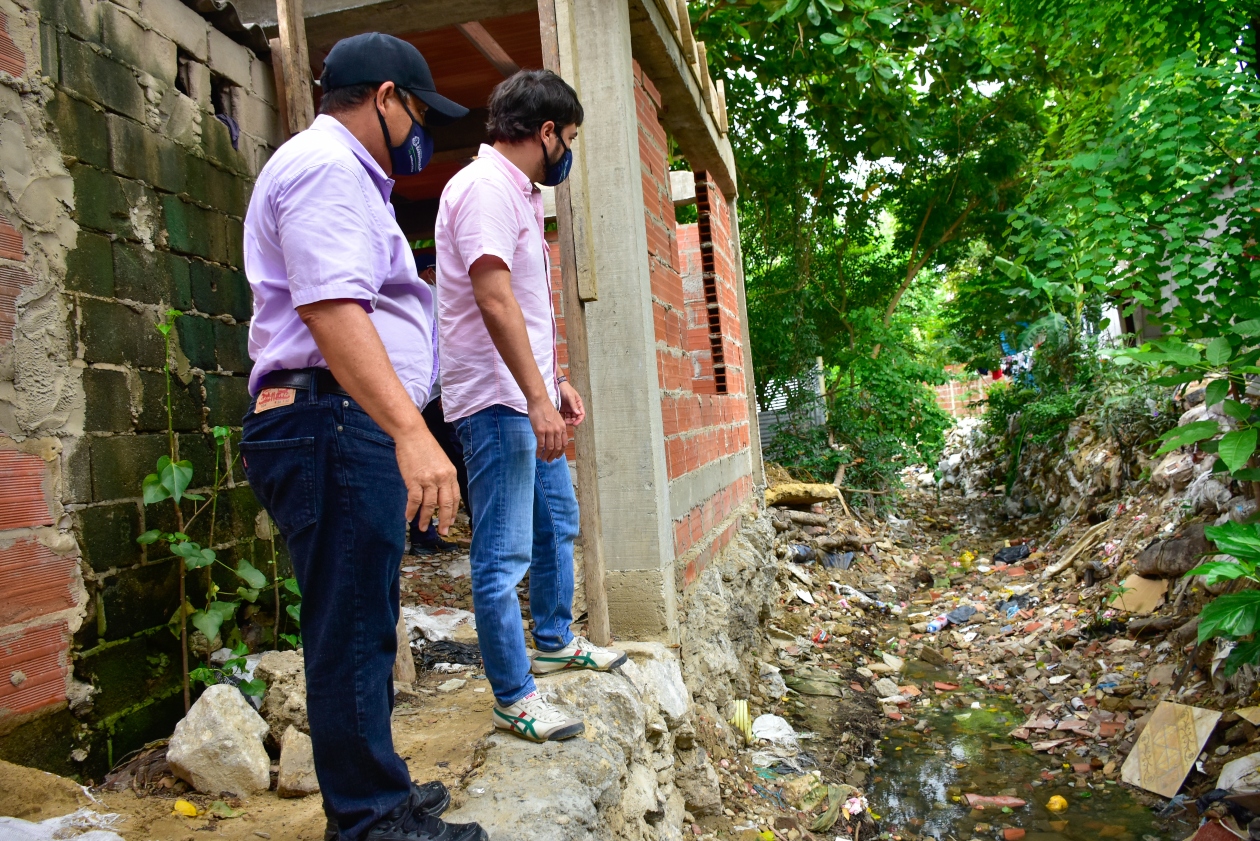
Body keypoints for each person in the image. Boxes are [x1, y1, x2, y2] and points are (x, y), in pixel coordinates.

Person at [239, 32, 486, 841]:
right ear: (385, 98)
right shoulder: (327, 168)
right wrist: (411, 431)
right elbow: (331, 308)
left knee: (365, 617)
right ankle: (372, 820)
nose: (422, 131)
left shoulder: (342, 174)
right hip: (330, 417)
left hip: (339, 418)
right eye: (419, 113)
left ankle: (378, 793)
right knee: (349, 626)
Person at [434, 69, 626, 744]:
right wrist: (535, 397)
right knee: (503, 554)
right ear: (546, 131)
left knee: (557, 521)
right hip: (497, 402)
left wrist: (555, 380)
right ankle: (514, 697)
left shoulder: (514, 192)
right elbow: (492, 300)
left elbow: (522, 307)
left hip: (524, 395)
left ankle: (553, 640)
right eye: (568, 138)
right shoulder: (485, 188)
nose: (567, 153)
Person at [409, 254, 467, 556]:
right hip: (434, 397)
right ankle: (480, 525)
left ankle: (423, 535)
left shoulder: (407, 297)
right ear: (429, 272)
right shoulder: (429, 295)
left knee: (420, 464)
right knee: (459, 459)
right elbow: (442, 344)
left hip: (416, 396)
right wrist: (449, 389)